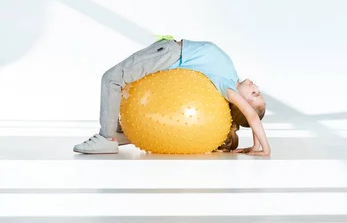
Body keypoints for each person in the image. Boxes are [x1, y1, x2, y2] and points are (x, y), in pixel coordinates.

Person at [73, 36, 271, 156]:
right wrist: (254, 144)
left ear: (241, 104)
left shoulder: (228, 88)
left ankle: (107, 138)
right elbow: (252, 116)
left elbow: (252, 116)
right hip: (168, 50)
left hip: (169, 53)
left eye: (254, 94)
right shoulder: (231, 76)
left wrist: (265, 148)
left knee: (112, 79)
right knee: (121, 81)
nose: (256, 86)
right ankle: (119, 133)